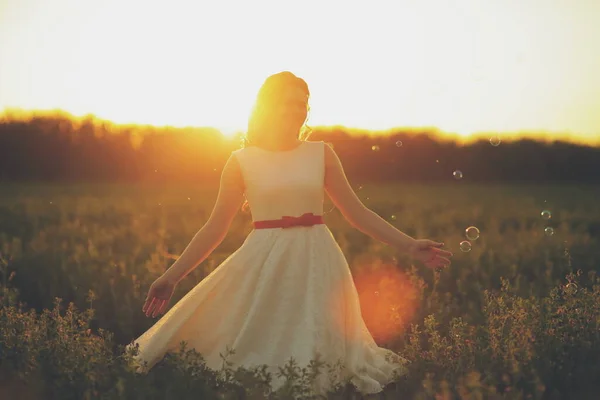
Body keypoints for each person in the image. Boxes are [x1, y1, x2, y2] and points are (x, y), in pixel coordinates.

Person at [127, 71, 453, 395]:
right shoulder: (241, 161)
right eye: (289, 103)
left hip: (318, 256)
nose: (298, 110)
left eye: (303, 104)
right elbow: (215, 227)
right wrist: (172, 275)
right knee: (260, 344)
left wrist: (410, 246)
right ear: (268, 107)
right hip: (264, 260)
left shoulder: (321, 153)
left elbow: (357, 213)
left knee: (317, 339)